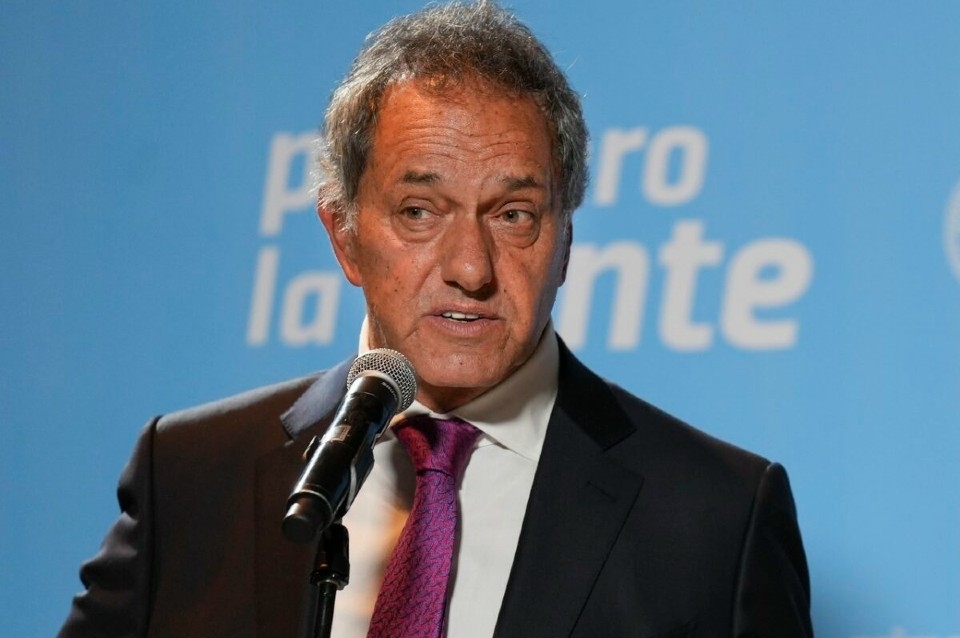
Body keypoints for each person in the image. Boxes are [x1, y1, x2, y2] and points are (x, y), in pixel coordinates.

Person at [59, 1, 813, 636]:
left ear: (565, 242)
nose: (471, 269)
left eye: (513, 214)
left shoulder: (718, 520)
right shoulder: (188, 475)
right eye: (420, 211)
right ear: (343, 234)